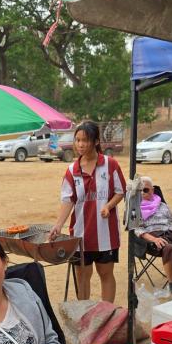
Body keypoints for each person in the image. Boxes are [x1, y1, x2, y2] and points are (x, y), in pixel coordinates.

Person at [48, 121, 125, 302]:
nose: (80, 145)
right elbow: (68, 200)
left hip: (107, 234)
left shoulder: (110, 164)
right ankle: (85, 316)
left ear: (96, 141)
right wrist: (58, 225)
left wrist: (109, 206)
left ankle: (107, 315)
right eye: (77, 140)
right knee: (82, 277)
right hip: (80, 234)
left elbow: (121, 191)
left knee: (106, 274)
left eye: (85, 140)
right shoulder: (71, 171)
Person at [133, 176, 172, 295]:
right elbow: (137, 229)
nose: (142, 193)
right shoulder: (134, 208)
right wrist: (153, 239)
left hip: (171, 233)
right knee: (169, 248)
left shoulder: (161, 205)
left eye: (145, 190)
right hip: (152, 238)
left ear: (152, 190)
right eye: (139, 190)